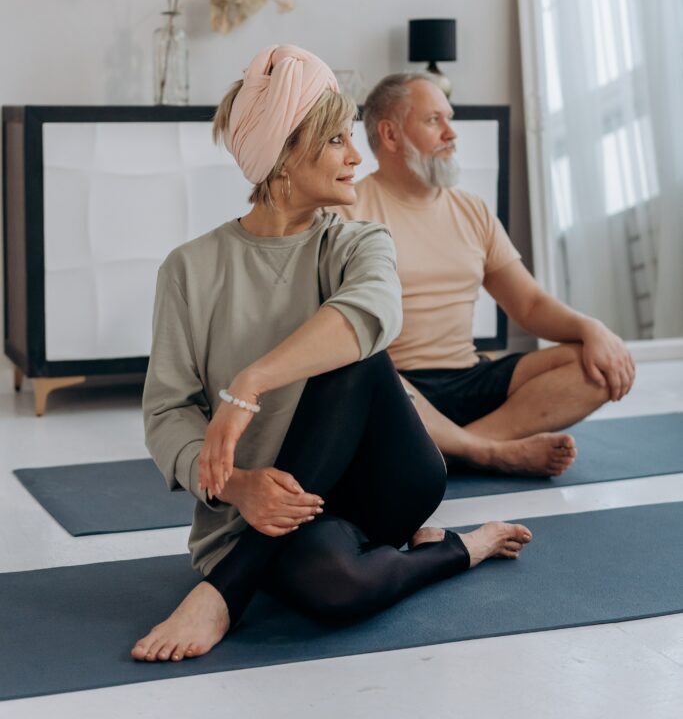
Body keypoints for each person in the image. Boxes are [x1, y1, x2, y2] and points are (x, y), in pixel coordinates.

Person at [131, 46, 532, 664]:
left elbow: (373, 313)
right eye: (339, 140)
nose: (357, 156)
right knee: (335, 588)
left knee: (356, 353)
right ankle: (461, 548)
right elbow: (167, 412)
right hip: (262, 513)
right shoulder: (189, 269)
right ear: (287, 155)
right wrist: (238, 487)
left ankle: (224, 592)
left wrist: (250, 385)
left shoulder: (358, 242)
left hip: (383, 482)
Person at [338, 73, 636, 477]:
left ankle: (451, 451)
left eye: (449, 118)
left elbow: (528, 304)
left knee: (594, 367)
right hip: (396, 386)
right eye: (433, 121)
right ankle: (489, 452)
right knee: (358, 369)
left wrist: (592, 329)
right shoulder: (347, 213)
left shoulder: (472, 210)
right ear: (390, 135)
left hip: (468, 375)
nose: (451, 133)